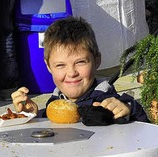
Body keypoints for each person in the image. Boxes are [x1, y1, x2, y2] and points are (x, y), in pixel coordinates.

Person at [11, 16, 149, 123]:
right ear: (48, 66)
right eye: (60, 65)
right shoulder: (55, 104)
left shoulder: (108, 102)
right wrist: (35, 117)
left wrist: (129, 111)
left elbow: (145, 131)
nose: (71, 73)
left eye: (80, 62)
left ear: (96, 61)